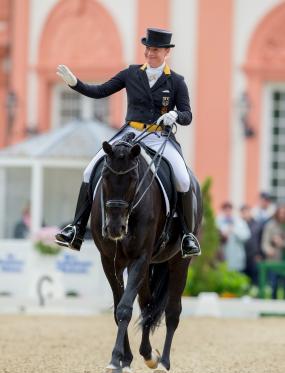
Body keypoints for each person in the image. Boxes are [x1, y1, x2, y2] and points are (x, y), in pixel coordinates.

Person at [55, 28, 201, 257]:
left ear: (166, 53)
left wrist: (175, 116)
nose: (150, 53)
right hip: (130, 133)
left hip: (159, 136)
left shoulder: (176, 81)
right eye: (148, 49)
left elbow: (187, 115)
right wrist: (75, 83)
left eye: (155, 49)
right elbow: (100, 90)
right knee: (89, 170)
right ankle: (77, 228)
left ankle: (186, 235)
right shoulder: (131, 74)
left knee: (183, 178)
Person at [216, 202, 250, 272]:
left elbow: (246, 236)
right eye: (226, 210)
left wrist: (234, 230)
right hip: (222, 257)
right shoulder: (217, 222)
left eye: (229, 210)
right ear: (223, 210)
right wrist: (222, 235)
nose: (228, 212)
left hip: (237, 258)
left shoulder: (239, 222)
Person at [261, 202, 285, 299]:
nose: (282, 215)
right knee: (273, 285)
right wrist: (269, 250)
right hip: (274, 260)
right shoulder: (270, 225)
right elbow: (264, 243)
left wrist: (281, 243)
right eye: (281, 213)